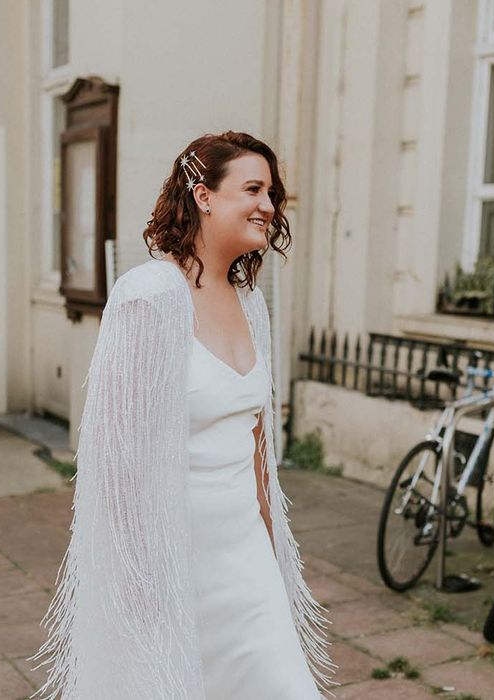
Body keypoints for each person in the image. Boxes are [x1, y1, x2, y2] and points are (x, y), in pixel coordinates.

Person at [29, 132, 334, 699]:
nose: (269, 205)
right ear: (203, 195)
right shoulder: (148, 297)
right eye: (252, 188)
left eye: (272, 191)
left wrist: (269, 554)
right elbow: (115, 464)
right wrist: (139, 586)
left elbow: (258, 448)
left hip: (245, 561)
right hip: (172, 559)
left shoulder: (251, 302)